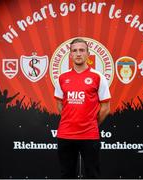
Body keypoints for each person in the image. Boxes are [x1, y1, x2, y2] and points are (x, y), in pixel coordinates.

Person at [54, 38, 111, 179]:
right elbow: (60, 104)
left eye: (81, 50)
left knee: (93, 174)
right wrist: (71, 119)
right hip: (66, 134)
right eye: (74, 50)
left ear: (88, 54)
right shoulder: (62, 77)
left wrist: (92, 124)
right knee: (66, 174)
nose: (78, 53)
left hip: (89, 135)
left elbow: (105, 107)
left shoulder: (98, 77)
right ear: (70, 55)